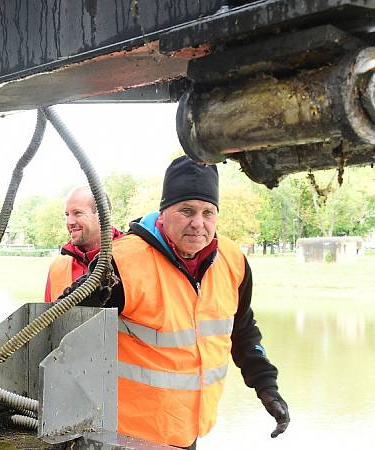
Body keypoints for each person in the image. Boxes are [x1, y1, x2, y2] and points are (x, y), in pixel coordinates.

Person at [74, 156, 289, 448]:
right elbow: (66, 331)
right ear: (163, 214)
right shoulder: (120, 263)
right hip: (126, 437)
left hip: (188, 433)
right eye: (186, 211)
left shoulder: (232, 260)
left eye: (207, 212)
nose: (198, 223)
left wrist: (267, 387)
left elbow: (242, 329)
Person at [44, 186, 123, 302]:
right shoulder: (58, 266)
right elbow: (47, 317)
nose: (69, 222)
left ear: (103, 216)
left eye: (77, 213)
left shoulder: (131, 256)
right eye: (67, 214)